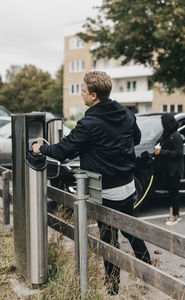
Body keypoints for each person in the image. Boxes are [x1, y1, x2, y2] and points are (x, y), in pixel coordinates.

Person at [32, 71, 151, 295]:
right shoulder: (125, 113)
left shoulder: (89, 122)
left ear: (94, 95)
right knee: (131, 229)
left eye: (83, 91)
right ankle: (150, 274)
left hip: (106, 189)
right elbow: (135, 139)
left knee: (108, 239)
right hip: (128, 184)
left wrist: (41, 148)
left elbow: (63, 151)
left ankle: (113, 288)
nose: (82, 95)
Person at [154, 114, 184, 226]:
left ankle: (175, 215)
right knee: (171, 193)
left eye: (163, 124)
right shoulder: (166, 135)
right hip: (168, 169)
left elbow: (179, 153)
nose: (162, 127)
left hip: (175, 170)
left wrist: (162, 152)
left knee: (174, 193)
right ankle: (175, 214)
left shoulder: (176, 136)